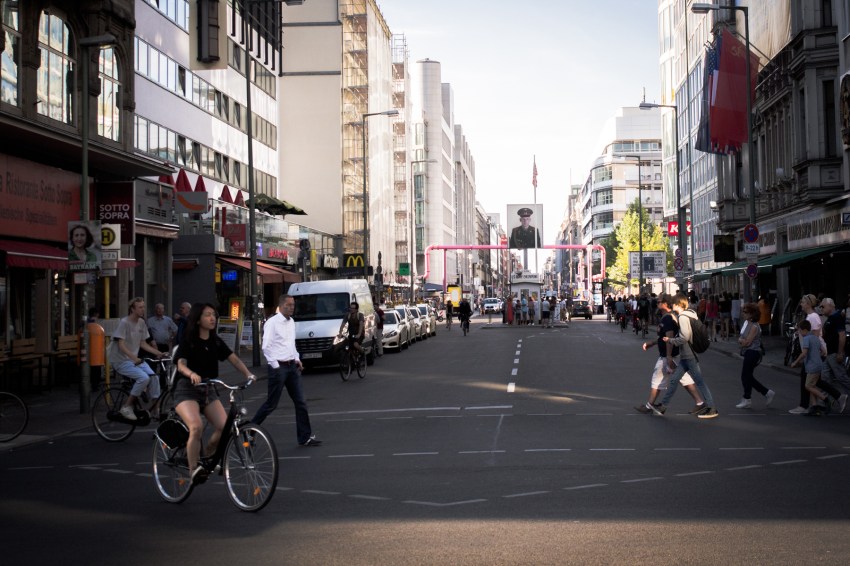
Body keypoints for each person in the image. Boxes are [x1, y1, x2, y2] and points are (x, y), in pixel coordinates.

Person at [173, 303, 255, 484]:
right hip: (186, 389)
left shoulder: (215, 340)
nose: (212, 318)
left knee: (224, 426)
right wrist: (191, 373)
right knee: (196, 426)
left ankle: (208, 455)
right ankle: (193, 469)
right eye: (208, 315)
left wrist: (247, 373)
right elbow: (181, 364)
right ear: (197, 320)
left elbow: (232, 358)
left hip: (208, 389)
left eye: (214, 315)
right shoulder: (189, 340)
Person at [252, 294, 321, 446]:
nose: (291, 308)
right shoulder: (272, 323)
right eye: (288, 305)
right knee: (271, 404)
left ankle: (305, 437)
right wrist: (276, 366)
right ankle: (250, 431)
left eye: (293, 305)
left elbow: (291, 344)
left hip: (292, 366)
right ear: (281, 305)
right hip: (279, 367)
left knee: (301, 402)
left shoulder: (291, 322)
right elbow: (266, 347)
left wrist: (297, 358)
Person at [636, 293, 702, 415]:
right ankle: (699, 402)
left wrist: (668, 356)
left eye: (659, 301)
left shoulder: (668, 318)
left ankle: (649, 406)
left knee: (657, 379)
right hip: (673, 355)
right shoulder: (669, 317)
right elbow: (663, 337)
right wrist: (653, 343)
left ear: (666, 304)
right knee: (684, 379)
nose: (657, 303)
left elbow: (669, 337)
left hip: (668, 355)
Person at [658, 292, 719, 418]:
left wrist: (671, 341)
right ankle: (663, 406)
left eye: (674, 303)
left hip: (689, 355)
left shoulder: (683, 317)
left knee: (699, 382)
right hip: (686, 356)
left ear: (679, 304)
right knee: (674, 380)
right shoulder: (691, 313)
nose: (672, 305)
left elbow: (685, 337)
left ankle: (712, 408)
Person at [107, 297, 165, 421]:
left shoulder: (142, 323)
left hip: (134, 360)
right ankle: (126, 407)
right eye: (140, 307)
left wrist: (159, 353)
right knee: (143, 378)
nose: (143, 309)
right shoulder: (124, 323)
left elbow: (143, 343)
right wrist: (134, 358)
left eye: (143, 307)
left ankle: (156, 409)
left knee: (154, 377)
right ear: (132, 309)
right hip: (120, 360)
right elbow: (121, 345)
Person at [788, 294, 842, 414]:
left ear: (807, 304)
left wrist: (807, 354)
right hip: (812, 353)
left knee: (806, 380)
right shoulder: (811, 316)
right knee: (814, 382)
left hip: (811, 354)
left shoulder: (812, 317)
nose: (801, 304)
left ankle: (805, 405)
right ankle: (816, 405)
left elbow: (816, 337)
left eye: (802, 302)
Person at [734, 303, 775, 409]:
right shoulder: (747, 323)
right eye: (743, 311)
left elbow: (747, 342)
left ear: (752, 314)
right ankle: (766, 393)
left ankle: (747, 399)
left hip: (753, 353)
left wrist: (741, 340)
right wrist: (741, 340)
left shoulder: (754, 326)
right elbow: (741, 338)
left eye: (746, 312)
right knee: (747, 376)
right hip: (748, 352)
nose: (743, 314)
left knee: (745, 376)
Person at [790, 319, 830, 416]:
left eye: (799, 331)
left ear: (804, 330)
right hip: (818, 364)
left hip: (812, 366)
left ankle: (825, 399)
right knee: (812, 386)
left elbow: (804, 353)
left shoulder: (807, 339)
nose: (799, 332)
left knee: (807, 386)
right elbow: (824, 351)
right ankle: (814, 407)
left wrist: (795, 362)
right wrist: (816, 356)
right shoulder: (815, 338)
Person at [820, 298, 849, 412]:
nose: (821, 308)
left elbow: (842, 335)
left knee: (841, 377)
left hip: (834, 353)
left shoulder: (836, 317)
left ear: (831, 306)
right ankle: (827, 401)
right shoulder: (829, 318)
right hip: (828, 353)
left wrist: (840, 352)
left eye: (823, 306)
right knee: (825, 378)